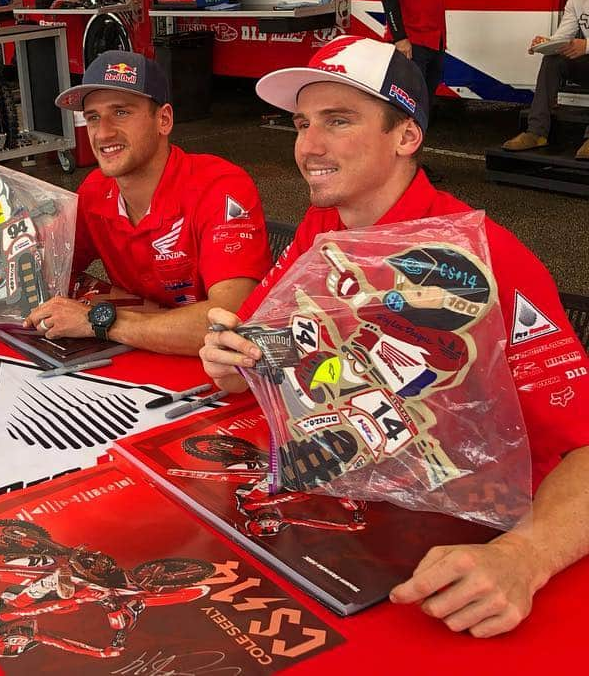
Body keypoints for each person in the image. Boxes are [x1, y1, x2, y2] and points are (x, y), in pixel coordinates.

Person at [201, 34, 589, 639]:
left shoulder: (484, 260)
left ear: (407, 137)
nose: (309, 148)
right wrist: (236, 356)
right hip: (357, 498)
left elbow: (585, 451)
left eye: (339, 121)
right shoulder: (324, 223)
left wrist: (527, 556)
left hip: (478, 537)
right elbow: (262, 338)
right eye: (303, 124)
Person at [25, 51, 271, 356]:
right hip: (135, 364)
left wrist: (99, 321)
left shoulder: (220, 186)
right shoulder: (95, 191)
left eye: (121, 112)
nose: (103, 132)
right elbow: (42, 269)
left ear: (164, 120)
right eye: (92, 117)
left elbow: (231, 319)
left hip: (216, 373)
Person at [502, 0, 589, 160]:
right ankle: (536, 132)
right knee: (552, 60)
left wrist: (586, 46)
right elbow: (562, 38)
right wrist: (546, 44)